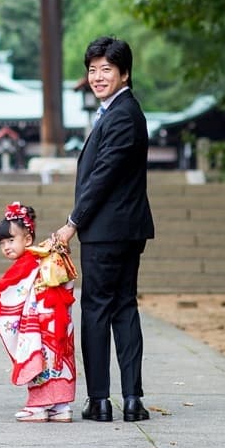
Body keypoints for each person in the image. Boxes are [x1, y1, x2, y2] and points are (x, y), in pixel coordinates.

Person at [56, 36, 154, 423]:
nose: (97, 77)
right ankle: (132, 399)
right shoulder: (120, 111)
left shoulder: (123, 114)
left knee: (97, 309)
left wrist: (71, 224)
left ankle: (100, 400)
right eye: (93, 70)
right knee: (124, 308)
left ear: (124, 73)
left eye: (106, 70)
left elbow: (102, 177)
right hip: (126, 228)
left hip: (106, 230)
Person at [0, 203, 77, 423]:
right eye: (2, 243)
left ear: (28, 239)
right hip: (56, 319)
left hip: (40, 324)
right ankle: (61, 406)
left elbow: (5, 288)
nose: (6, 247)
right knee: (59, 358)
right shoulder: (40, 257)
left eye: (11, 240)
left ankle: (39, 406)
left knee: (38, 356)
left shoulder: (28, 261)